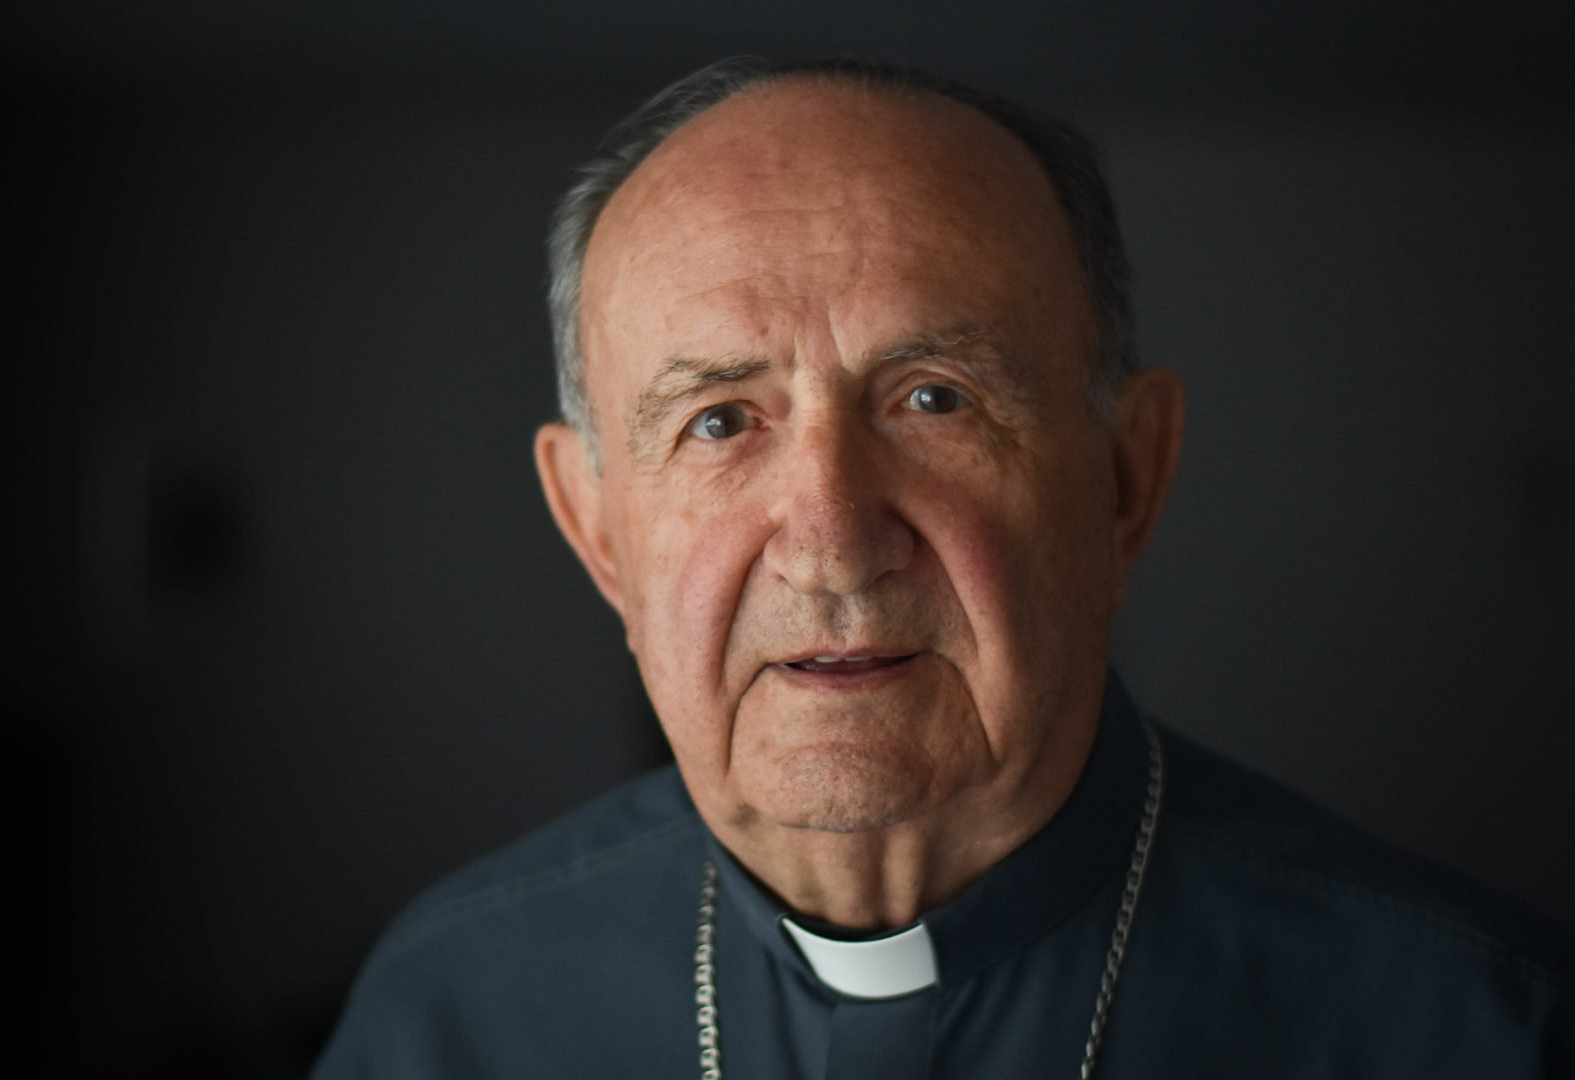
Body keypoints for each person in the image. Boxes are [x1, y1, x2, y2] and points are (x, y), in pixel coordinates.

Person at [310, 57, 1572, 1078]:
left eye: (933, 398)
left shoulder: (1479, 1026)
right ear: (595, 530)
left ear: (1126, 482)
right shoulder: (449, 1013)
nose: (833, 542)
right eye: (717, 420)